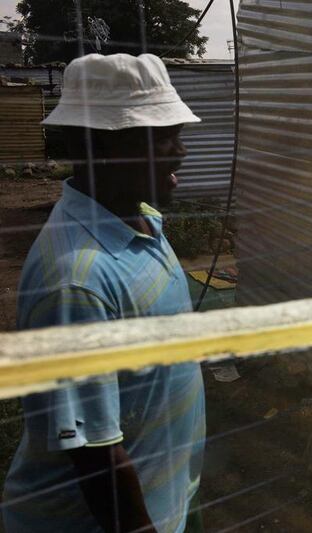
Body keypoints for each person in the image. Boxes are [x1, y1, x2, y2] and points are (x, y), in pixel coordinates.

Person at [2, 54, 205, 532]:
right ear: (100, 148)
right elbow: (96, 458)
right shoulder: (77, 281)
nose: (180, 151)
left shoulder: (142, 219)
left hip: (163, 498)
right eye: (161, 137)